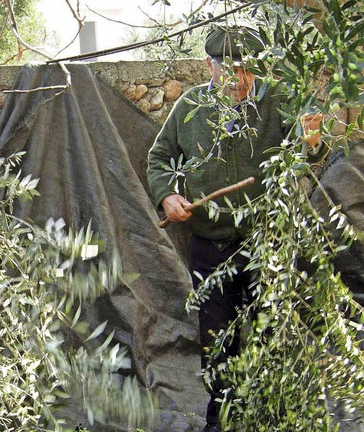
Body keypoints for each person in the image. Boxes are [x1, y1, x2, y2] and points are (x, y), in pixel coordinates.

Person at [146, 25, 286, 432]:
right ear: (210, 64)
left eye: (248, 71)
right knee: (217, 337)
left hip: (265, 240)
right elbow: (159, 158)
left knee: (266, 330)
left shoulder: (277, 101)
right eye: (231, 70)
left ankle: (268, 415)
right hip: (211, 246)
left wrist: (312, 138)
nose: (240, 80)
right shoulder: (191, 106)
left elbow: (307, 145)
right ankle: (221, 420)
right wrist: (167, 196)